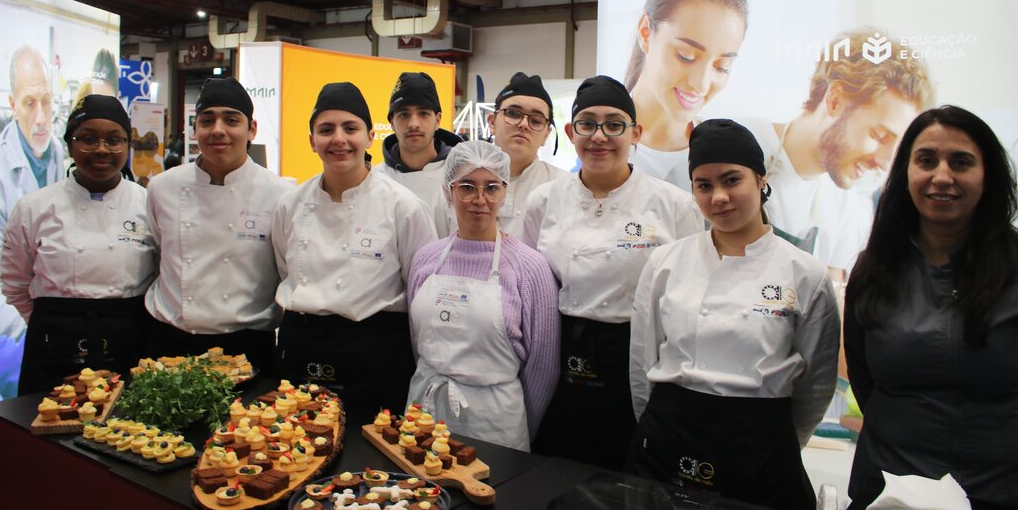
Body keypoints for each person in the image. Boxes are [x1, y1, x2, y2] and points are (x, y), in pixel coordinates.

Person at [628, 118, 840, 510]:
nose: (719, 197)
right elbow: (643, 364)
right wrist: (655, 425)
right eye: (703, 185)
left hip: (759, 450)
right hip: (668, 438)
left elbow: (816, 384)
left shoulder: (804, 273)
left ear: (761, 180)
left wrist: (775, 440)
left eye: (731, 180)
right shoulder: (666, 263)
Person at [844, 105, 1018, 510]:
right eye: (926, 161)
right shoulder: (873, 269)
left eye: (961, 162)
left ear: (988, 175)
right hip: (891, 497)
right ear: (906, 173)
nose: (942, 176)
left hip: (998, 502)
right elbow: (866, 381)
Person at [522, 75, 702, 470]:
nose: (599, 136)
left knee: (628, 472)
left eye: (614, 124)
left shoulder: (673, 205)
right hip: (560, 351)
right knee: (555, 471)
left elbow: (689, 298)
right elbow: (531, 283)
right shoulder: (544, 201)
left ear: (636, 133)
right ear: (571, 132)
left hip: (636, 354)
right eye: (587, 123)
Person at [273, 83, 436, 412]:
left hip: (375, 355)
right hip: (303, 349)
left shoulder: (403, 206)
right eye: (326, 130)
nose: (338, 139)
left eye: (350, 128)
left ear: (369, 137)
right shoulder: (290, 205)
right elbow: (284, 270)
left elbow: (423, 291)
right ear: (311, 141)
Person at [407, 140, 559, 451]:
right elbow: (418, 343)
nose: (480, 199)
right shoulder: (426, 259)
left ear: (505, 191)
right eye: (467, 187)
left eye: (491, 187)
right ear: (449, 191)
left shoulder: (530, 268)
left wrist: (521, 426)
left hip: (497, 424)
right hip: (424, 413)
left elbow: (543, 368)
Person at [741, 28, 934, 273]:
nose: (885, 163)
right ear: (835, 100)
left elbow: (834, 304)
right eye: (879, 135)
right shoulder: (736, 143)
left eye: (896, 148)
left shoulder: (849, 211)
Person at [1, 95, 156, 395]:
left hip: (128, 340)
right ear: (70, 145)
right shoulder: (34, 207)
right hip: (53, 345)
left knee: (127, 435)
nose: (101, 149)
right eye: (87, 139)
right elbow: (14, 283)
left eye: (113, 140)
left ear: (127, 145)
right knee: (43, 430)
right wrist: (52, 324)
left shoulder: (148, 204)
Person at [143, 77, 291, 374]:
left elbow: (287, 273)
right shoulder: (162, 187)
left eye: (231, 120)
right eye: (207, 121)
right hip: (171, 345)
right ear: (194, 129)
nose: (218, 130)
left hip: (248, 348)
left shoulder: (280, 194)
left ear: (252, 129)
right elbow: (155, 258)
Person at [625, 0, 748, 190]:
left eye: (721, 67)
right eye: (686, 56)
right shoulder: (596, 145)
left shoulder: (724, 157)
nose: (701, 84)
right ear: (645, 32)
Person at [0, 45, 65, 388]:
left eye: (46, 101)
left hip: (54, 320)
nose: (41, 117)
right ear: (12, 105)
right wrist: (35, 330)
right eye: (29, 102)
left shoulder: (60, 156)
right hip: (10, 328)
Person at [375, 71, 463, 237]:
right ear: (391, 123)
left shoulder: (461, 177)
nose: (413, 124)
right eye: (404, 114)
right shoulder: (375, 180)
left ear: (437, 120)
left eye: (423, 113)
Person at [486, 72, 566, 237]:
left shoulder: (563, 187)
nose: (523, 124)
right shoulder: (462, 182)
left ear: (546, 134)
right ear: (492, 122)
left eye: (536, 120)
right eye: (513, 114)